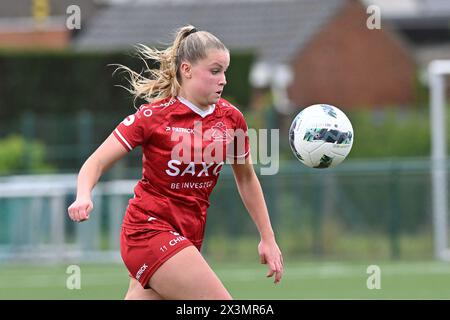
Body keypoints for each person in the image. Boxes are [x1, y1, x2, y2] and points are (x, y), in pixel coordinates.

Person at [67, 25, 283, 300]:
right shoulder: (153, 117)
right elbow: (95, 162)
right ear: (187, 69)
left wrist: (268, 237)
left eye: (225, 71)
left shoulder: (231, 119)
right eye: (215, 71)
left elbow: (246, 178)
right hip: (148, 230)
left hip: (188, 235)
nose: (224, 80)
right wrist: (83, 195)